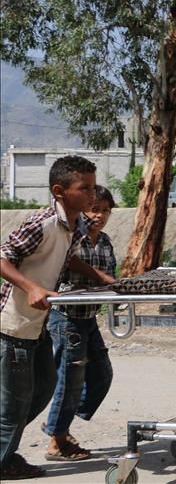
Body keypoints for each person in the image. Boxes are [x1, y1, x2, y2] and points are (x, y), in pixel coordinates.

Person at [0, 156, 115, 480]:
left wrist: (99, 277)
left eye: (93, 187)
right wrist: (31, 287)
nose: (92, 194)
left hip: (38, 327)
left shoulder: (76, 226)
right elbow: (2, 257)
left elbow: (68, 258)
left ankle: (5, 450)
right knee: (15, 404)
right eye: (84, 188)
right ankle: (4, 461)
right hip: (14, 325)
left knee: (44, 388)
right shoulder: (44, 222)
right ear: (59, 191)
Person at [42, 186, 117, 462]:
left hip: (89, 317)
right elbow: (69, 261)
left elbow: (110, 276)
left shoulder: (105, 241)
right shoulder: (72, 235)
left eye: (105, 210)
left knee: (102, 375)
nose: (100, 216)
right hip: (66, 317)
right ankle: (57, 440)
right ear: (84, 209)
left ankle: (57, 423)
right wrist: (99, 276)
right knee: (70, 380)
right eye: (95, 209)